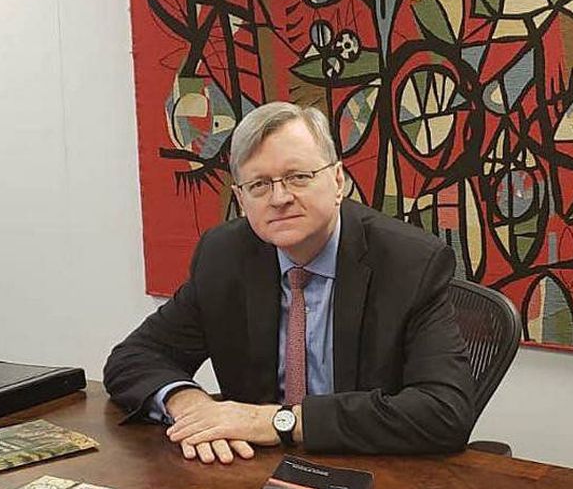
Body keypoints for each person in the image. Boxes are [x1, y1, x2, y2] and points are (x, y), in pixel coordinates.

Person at [103, 102, 476, 464]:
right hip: (250, 472)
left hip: (373, 474)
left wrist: (277, 422)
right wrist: (190, 405)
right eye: (260, 185)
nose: (280, 198)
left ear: (337, 180)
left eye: (299, 177)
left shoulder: (410, 263)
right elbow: (133, 358)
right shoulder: (224, 256)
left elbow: (443, 411)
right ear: (241, 198)